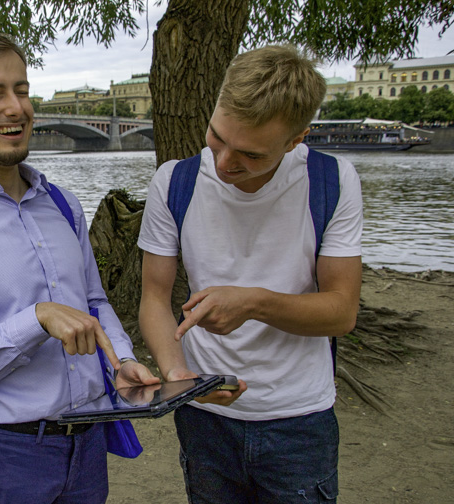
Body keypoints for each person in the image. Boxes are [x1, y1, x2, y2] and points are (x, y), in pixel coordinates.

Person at [0, 33, 158, 504]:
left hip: (88, 446)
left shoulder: (63, 205)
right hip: (5, 458)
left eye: (21, 89)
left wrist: (121, 362)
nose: (15, 107)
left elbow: (93, 302)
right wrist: (35, 320)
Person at [138, 45, 363, 503]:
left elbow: (341, 312)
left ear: (296, 139)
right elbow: (154, 299)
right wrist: (178, 376)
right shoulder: (173, 182)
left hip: (299, 421)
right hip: (203, 418)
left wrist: (254, 302)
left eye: (251, 155)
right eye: (217, 137)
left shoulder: (332, 180)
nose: (222, 165)